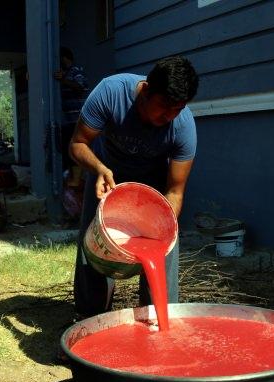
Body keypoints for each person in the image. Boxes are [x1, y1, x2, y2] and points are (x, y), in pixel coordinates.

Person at [70, 56, 199, 318]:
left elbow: (174, 192)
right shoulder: (110, 93)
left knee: (164, 254)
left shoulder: (183, 126)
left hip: (153, 191)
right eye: (164, 106)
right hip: (107, 182)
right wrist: (99, 169)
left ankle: (158, 322)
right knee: (93, 252)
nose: (170, 116)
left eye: (178, 108)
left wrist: (162, 225)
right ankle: (88, 322)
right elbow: (77, 144)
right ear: (147, 90)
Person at [55, 47, 89, 222]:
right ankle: (73, 179)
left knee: (77, 151)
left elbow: (81, 86)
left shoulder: (76, 71)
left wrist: (64, 81)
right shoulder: (64, 73)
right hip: (68, 120)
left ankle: (76, 180)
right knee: (69, 151)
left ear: (65, 58)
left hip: (78, 120)